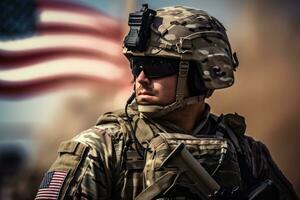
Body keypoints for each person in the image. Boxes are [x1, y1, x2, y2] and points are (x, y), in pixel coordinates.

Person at [35, 5, 299, 200]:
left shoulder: (247, 154)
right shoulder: (100, 148)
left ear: (203, 73)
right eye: (137, 65)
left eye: (157, 66)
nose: (141, 78)